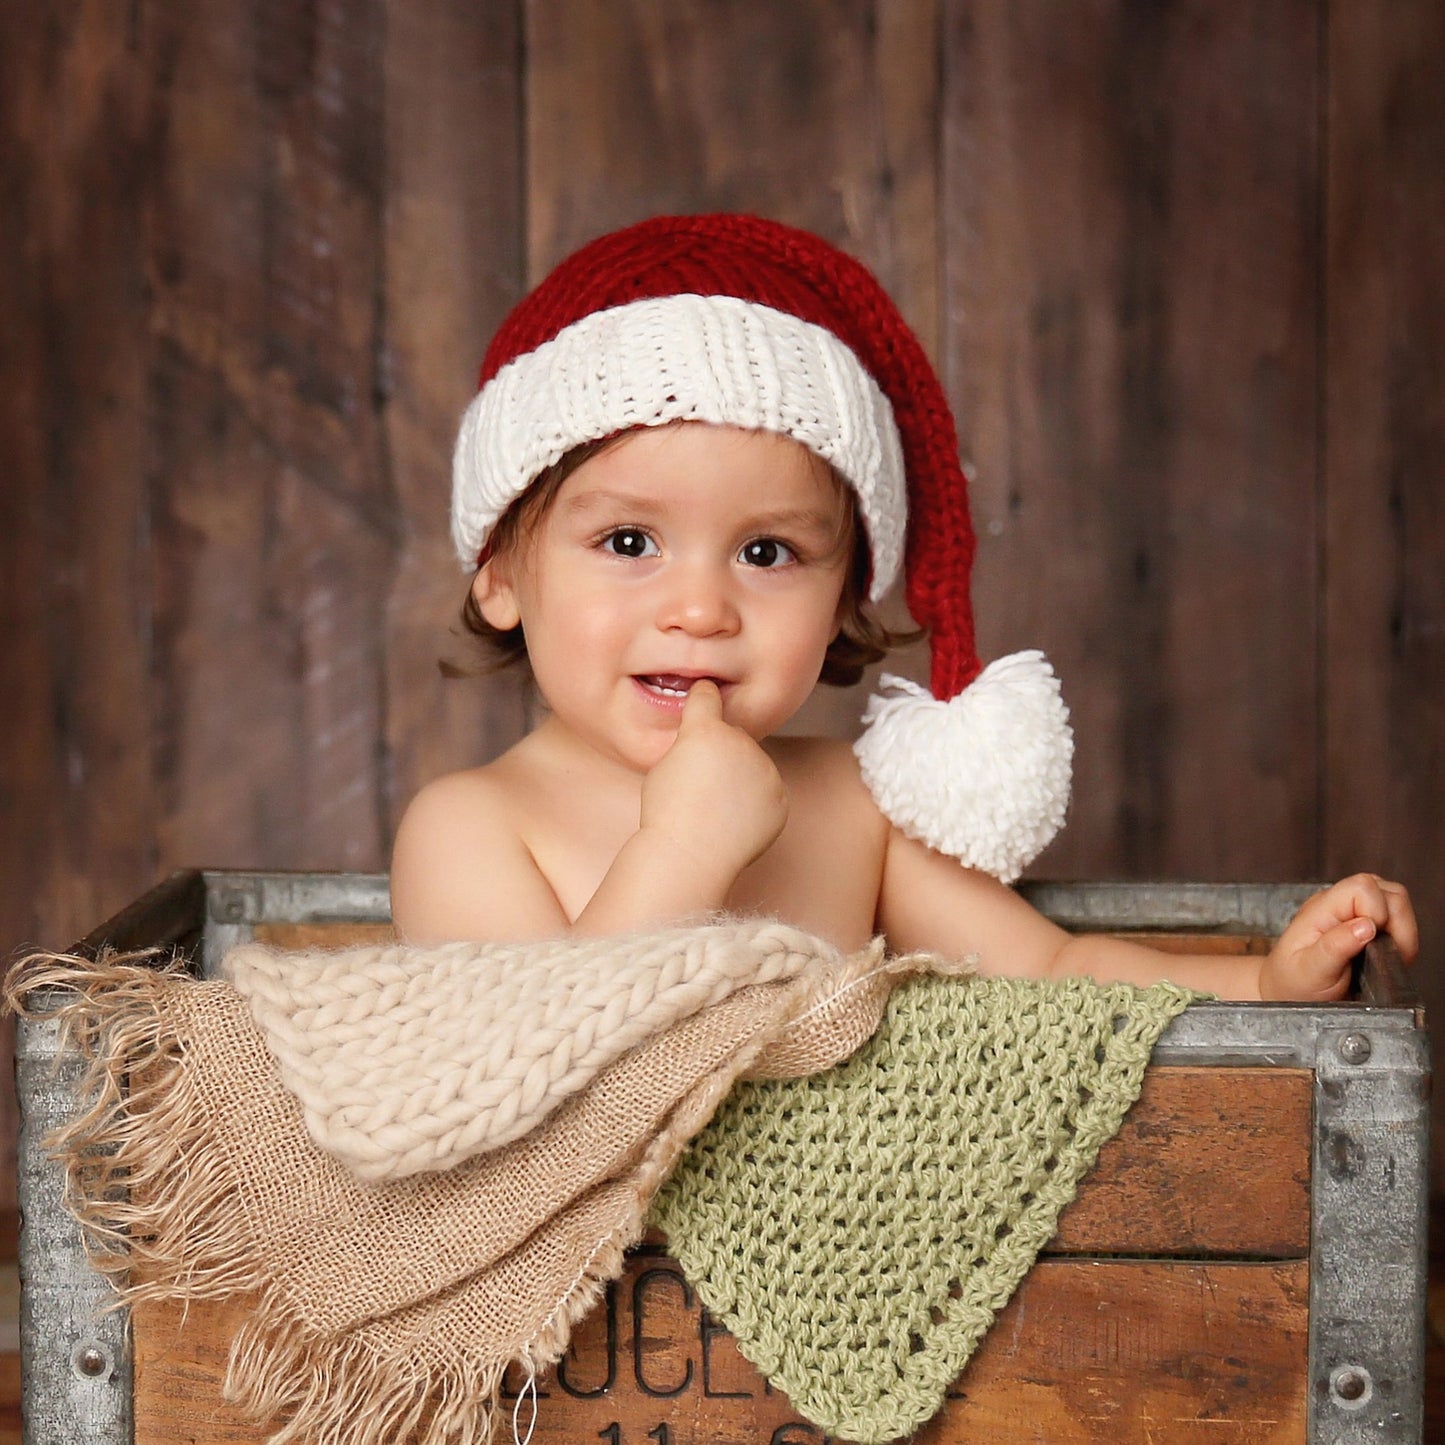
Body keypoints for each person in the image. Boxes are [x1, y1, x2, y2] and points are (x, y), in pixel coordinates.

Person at [390, 214, 1416, 999]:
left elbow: (1048, 971)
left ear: (843, 597)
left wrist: (1267, 985)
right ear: (501, 574)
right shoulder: (471, 829)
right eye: (627, 542)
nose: (700, 607)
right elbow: (534, 1101)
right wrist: (683, 851)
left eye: (765, 550)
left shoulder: (850, 803)